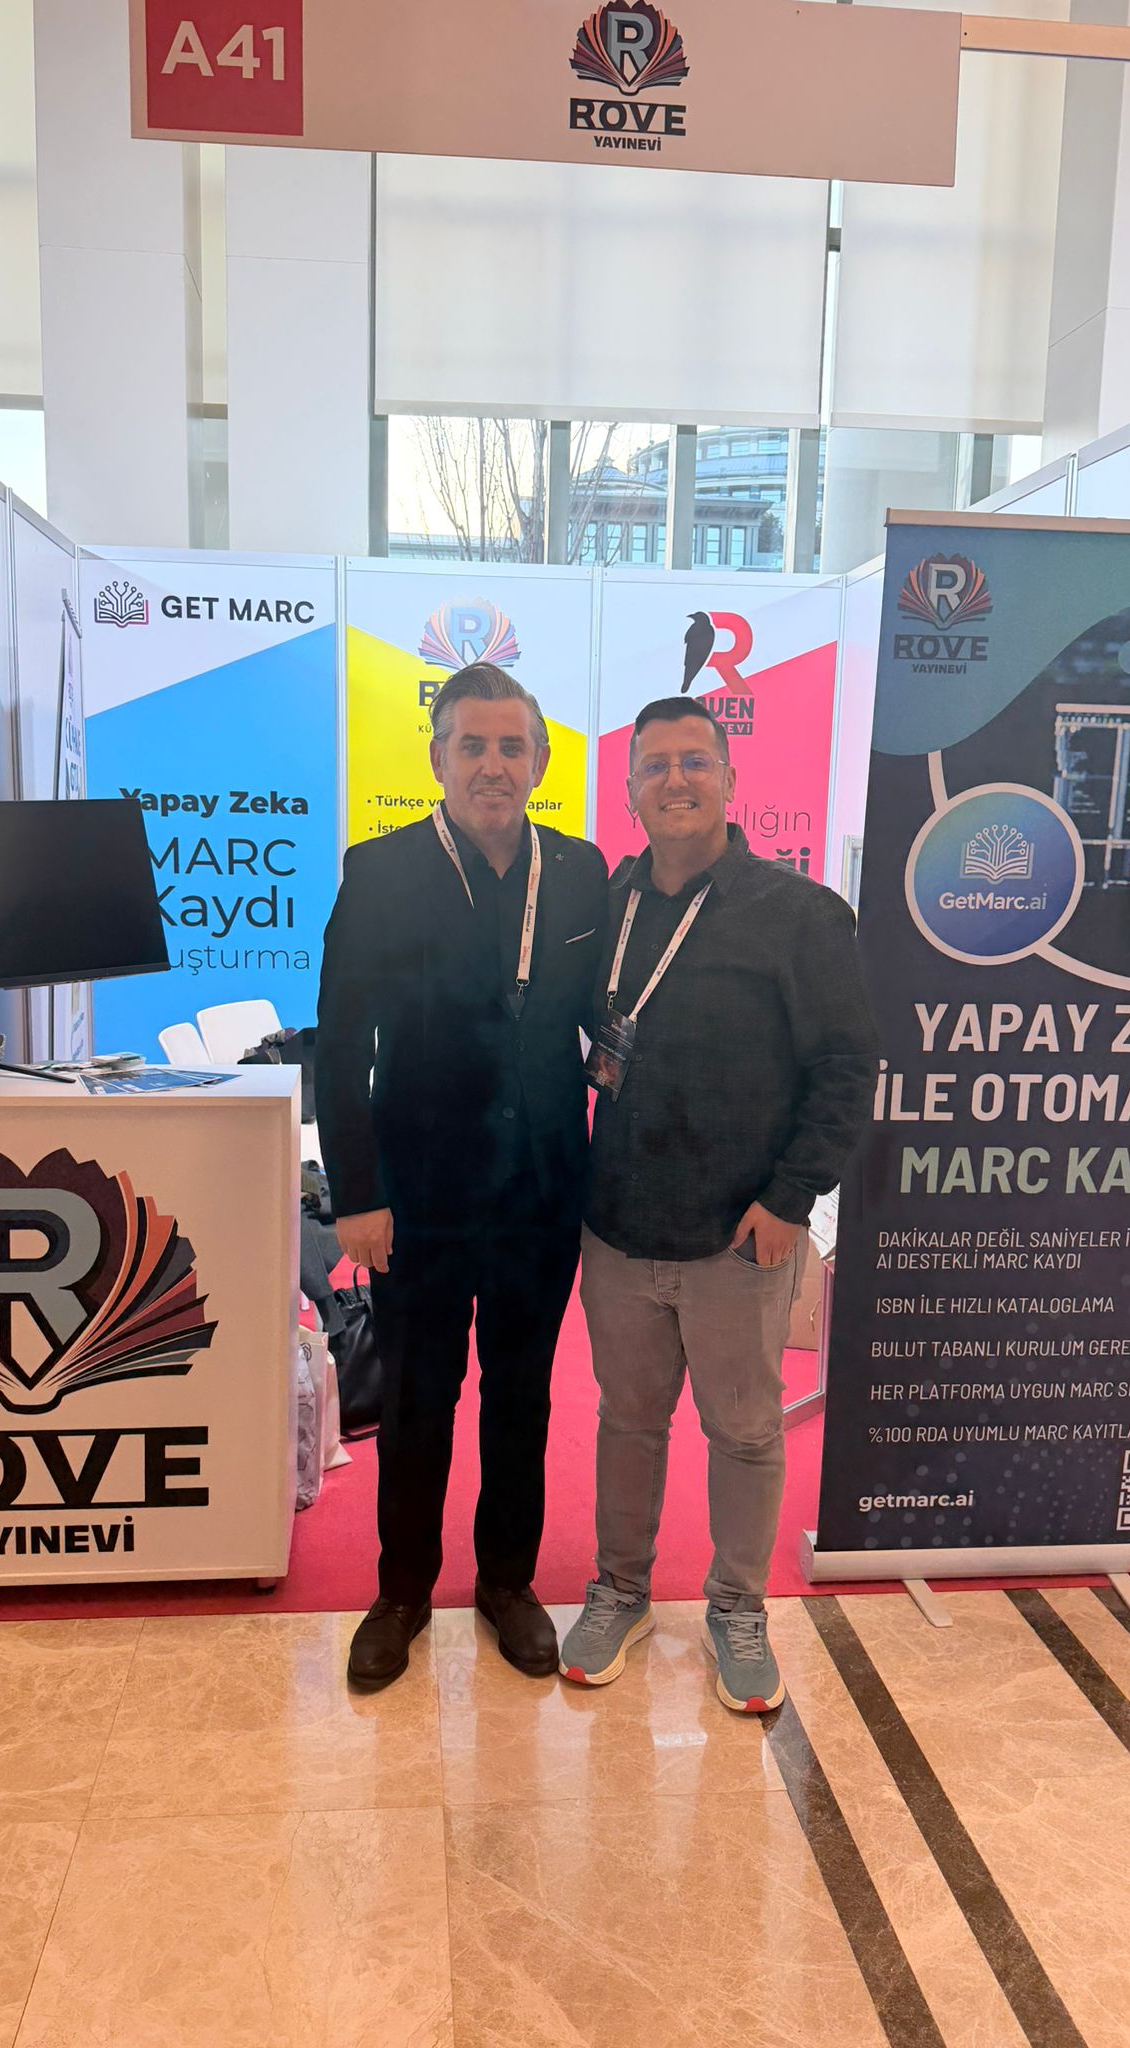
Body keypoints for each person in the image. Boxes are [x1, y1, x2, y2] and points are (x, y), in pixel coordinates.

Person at [560, 696, 878, 1712]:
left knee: (743, 1430)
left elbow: (846, 1068)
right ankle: (620, 1590)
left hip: (739, 1233)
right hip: (618, 1225)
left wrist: (793, 1198)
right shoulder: (609, 902)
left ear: (731, 781)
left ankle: (739, 1606)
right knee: (627, 1419)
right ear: (629, 791)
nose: (676, 780)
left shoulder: (801, 914)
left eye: (695, 761)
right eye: (655, 765)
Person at [316, 662, 607, 1689]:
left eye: (510, 746)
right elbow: (340, 1045)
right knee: (418, 1403)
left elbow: (603, 1018)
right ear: (438, 757)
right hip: (419, 1199)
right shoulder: (380, 871)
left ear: (539, 761)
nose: (493, 765)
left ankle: (507, 1583)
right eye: (473, 745)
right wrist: (357, 1193)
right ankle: (401, 1591)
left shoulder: (580, 871)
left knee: (522, 1398)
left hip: (541, 1194)